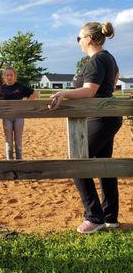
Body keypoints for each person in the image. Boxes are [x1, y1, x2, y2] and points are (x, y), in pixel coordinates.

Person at [49, 21, 122, 234]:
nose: (78, 41)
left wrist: (64, 93)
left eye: (79, 37)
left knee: (77, 165)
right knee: (103, 166)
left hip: (99, 118)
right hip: (107, 117)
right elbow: (115, 79)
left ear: (88, 39)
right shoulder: (107, 57)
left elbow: (89, 90)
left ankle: (94, 216)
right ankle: (110, 217)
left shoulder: (96, 60)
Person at [2, 66, 39, 160]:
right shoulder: (1, 88)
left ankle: (19, 160)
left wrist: (25, 103)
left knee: (18, 140)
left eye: (11, 75)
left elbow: (35, 94)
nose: (9, 77)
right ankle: (9, 161)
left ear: (15, 76)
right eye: (7, 75)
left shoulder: (20, 86)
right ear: (4, 76)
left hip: (19, 117)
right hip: (6, 117)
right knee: (8, 140)